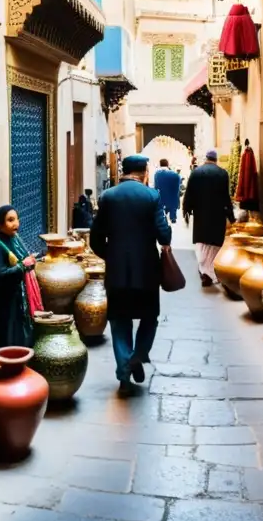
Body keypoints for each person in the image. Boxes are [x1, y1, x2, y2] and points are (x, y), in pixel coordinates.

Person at [91, 154, 172, 395]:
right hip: (147, 271)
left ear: (124, 171)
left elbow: (96, 239)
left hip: (116, 273)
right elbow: (164, 236)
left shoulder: (108, 197)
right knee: (149, 317)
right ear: (144, 172)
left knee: (119, 321)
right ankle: (139, 354)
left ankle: (124, 372)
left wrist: (112, 256)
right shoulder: (151, 196)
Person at [182, 149, 235, 287]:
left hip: (201, 214)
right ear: (216, 160)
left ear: (206, 158)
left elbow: (189, 193)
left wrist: (186, 210)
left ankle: (204, 271)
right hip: (217, 215)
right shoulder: (222, 173)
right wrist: (231, 216)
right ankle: (209, 271)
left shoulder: (196, 172)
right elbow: (225, 197)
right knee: (214, 245)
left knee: (202, 244)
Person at [0, 205, 37, 348]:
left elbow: (24, 259)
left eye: (16, 219)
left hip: (20, 296)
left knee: (21, 332)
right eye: (10, 220)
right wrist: (22, 266)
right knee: (9, 333)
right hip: (7, 299)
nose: (16, 224)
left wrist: (30, 261)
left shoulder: (15, 239)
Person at [153, 158, 182, 224]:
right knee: (173, 198)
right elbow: (177, 187)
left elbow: (156, 186)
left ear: (160, 164)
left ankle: (164, 215)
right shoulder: (175, 174)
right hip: (173, 199)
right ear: (167, 164)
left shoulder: (157, 174)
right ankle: (173, 217)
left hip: (162, 198)